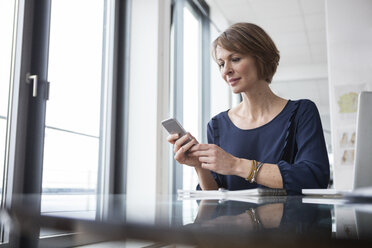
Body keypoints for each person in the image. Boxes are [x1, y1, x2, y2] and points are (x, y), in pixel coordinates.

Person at [167, 23, 330, 195]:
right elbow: (212, 201)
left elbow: (314, 178)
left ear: (261, 58)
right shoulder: (217, 125)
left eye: (235, 59)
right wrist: (200, 166)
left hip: (290, 221)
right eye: (221, 64)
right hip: (234, 221)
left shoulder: (302, 112)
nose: (226, 71)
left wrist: (236, 165)